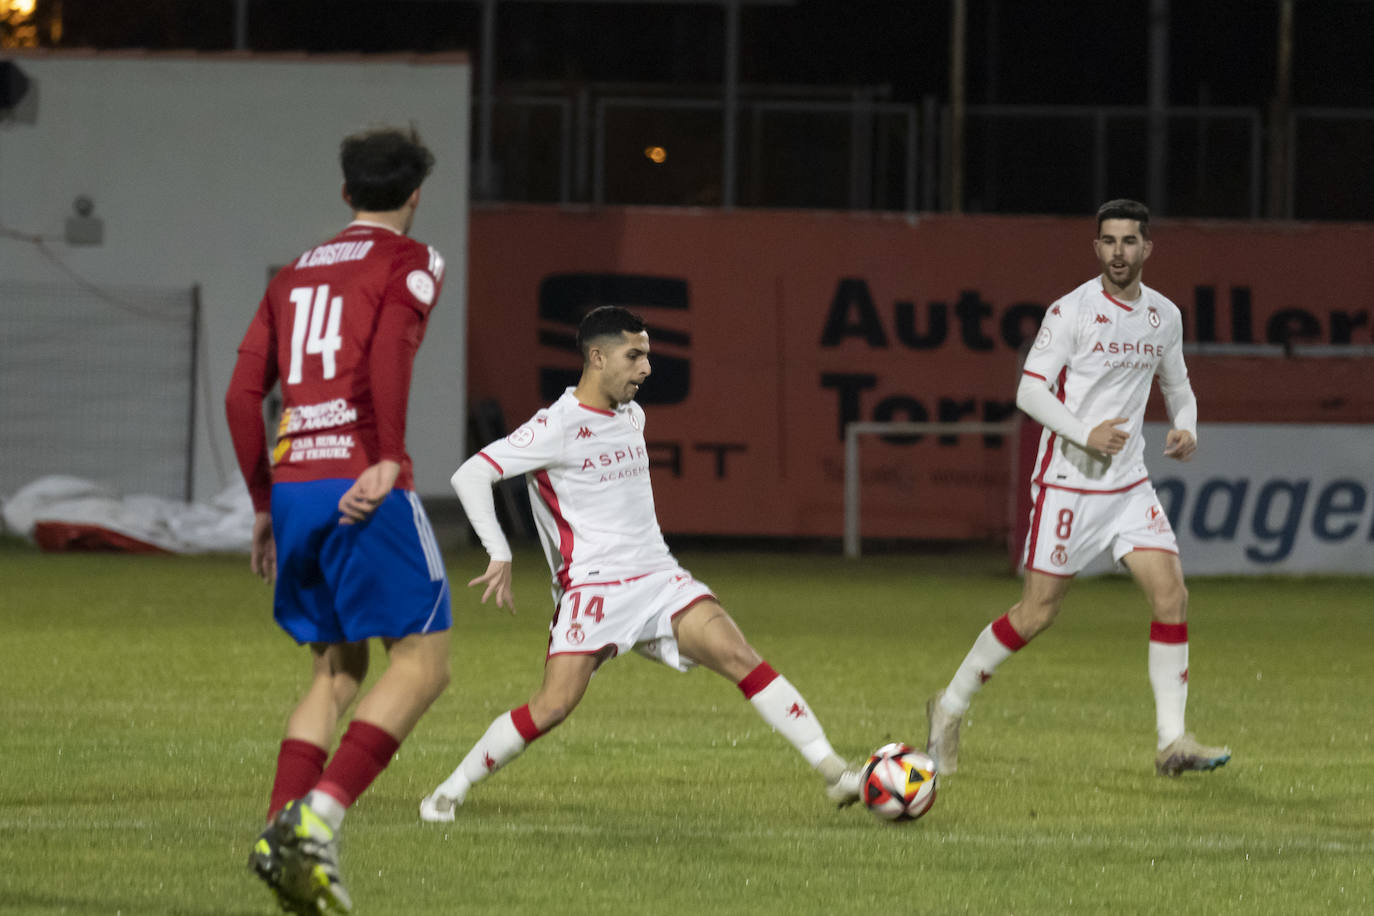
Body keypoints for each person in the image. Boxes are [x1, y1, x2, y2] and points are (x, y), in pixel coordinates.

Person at [418, 305, 860, 822]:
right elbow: (471, 475)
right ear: (598, 356)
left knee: (737, 654)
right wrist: (498, 549)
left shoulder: (632, 414)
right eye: (635, 355)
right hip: (593, 590)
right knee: (553, 706)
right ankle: (450, 790)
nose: (647, 368)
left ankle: (835, 772)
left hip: (658, 578)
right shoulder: (554, 427)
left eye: (647, 354)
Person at [225, 126, 452, 914]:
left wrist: (264, 503)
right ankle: (316, 822)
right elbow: (389, 351)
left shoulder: (292, 275)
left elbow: (240, 394)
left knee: (336, 670)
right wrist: (387, 458)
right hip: (361, 478)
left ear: (346, 192)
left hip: (294, 487)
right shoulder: (411, 261)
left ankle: (278, 827)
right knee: (424, 662)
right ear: (415, 194)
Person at [926, 199, 1231, 778]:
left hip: (1129, 485)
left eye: (1130, 241)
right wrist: (1084, 432)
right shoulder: (1070, 312)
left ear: (1147, 248)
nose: (1119, 252)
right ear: (1097, 249)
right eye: (1109, 242)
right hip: (1068, 484)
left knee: (1172, 597)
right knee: (1036, 613)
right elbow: (1031, 392)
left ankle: (1173, 741)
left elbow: (1180, 385)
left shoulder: (1163, 316)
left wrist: (1186, 425)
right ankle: (948, 706)